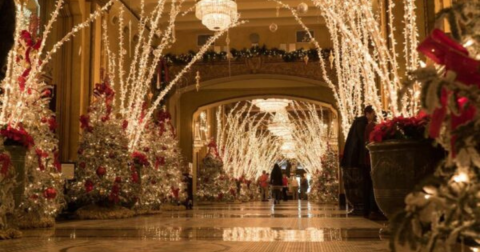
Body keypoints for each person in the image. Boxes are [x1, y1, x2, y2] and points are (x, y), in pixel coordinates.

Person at [341, 105, 375, 215]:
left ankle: (366, 209)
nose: (375, 116)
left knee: (364, 183)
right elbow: (362, 141)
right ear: (368, 113)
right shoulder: (362, 124)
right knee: (364, 183)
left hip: (355, 158)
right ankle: (365, 209)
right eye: (373, 113)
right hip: (358, 159)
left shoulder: (359, 123)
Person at [364, 109, 384, 220]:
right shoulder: (372, 126)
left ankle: (372, 209)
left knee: (372, 184)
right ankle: (373, 209)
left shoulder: (369, 126)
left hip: (369, 159)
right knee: (374, 184)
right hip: (372, 159)